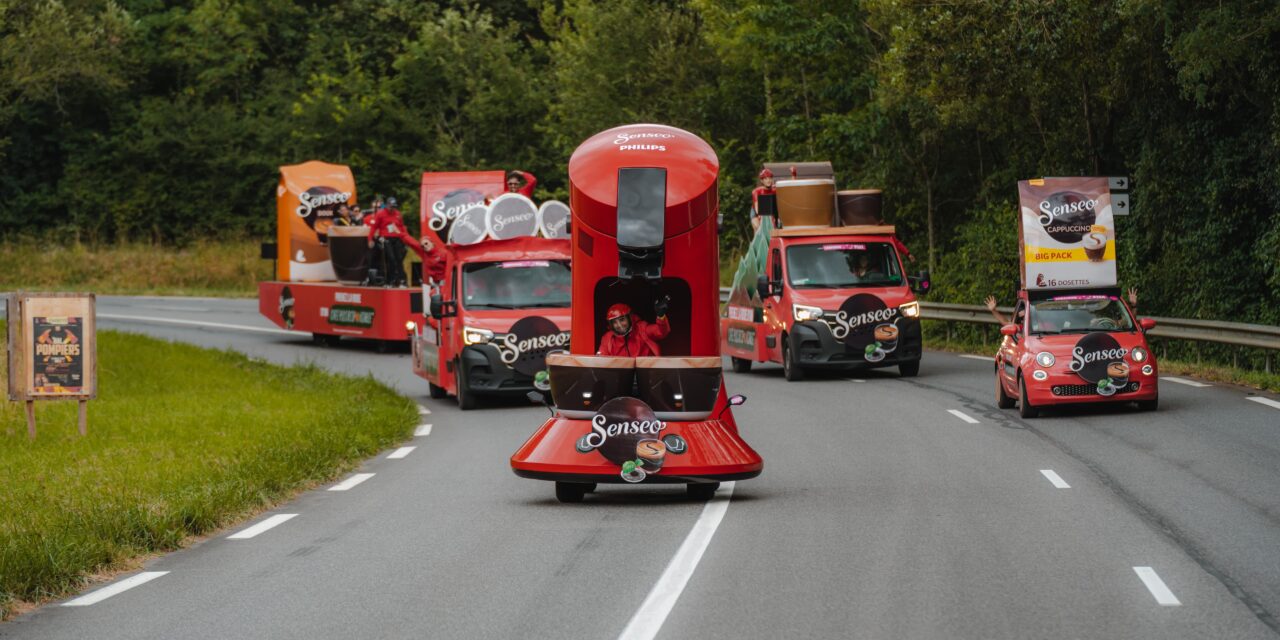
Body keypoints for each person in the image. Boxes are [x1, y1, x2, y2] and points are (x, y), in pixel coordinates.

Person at [597, 298, 671, 357]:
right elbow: (602, 359)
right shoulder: (607, 338)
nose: (619, 325)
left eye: (622, 320)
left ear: (630, 318)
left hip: (646, 370)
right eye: (614, 322)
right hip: (620, 371)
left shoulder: (642, 329)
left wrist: (661, 316)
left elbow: (661, 331)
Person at [365, 197, 409, 286]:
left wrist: (406, 238)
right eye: (391, 206)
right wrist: (370, 239)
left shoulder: (398, 214)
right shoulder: (381, 214)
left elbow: (401, 226)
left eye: (394, 206)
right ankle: (390, 280)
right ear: (387, 205)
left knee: (399, 259)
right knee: (391, 259)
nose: (392, 208)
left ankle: (401, 280)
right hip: (386, 238)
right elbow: (374, 227)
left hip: (397, 238)